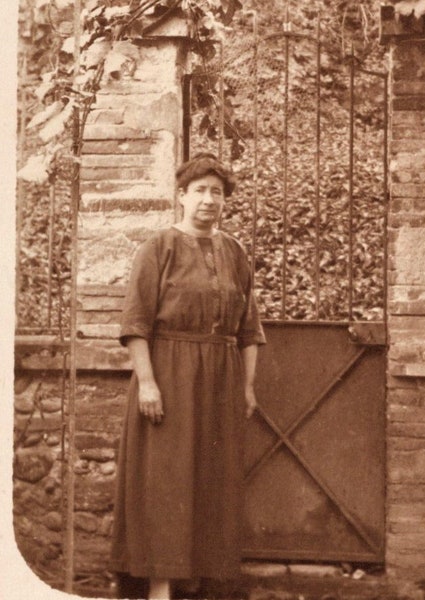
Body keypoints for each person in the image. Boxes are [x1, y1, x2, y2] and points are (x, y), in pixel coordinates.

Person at [110, 153, 266, 599]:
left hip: (220, 377)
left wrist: (247, 387)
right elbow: (135, 323)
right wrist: (149, 383)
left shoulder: (235, 253)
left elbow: (248, 329)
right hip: (170, 374)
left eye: (217, 192)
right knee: (167, 478)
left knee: (209, 478)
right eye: (199, 190)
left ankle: (196, 581)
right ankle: (159, 586)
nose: (209, 200)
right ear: (181, 196)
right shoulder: (158, 247)